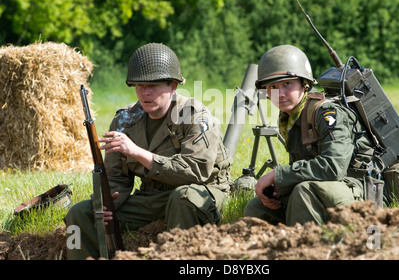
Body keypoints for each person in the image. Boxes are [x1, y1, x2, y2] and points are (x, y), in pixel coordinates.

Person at [65, 43, 232, 259]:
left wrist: (137, 153)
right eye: (139, 85)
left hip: (199, 193)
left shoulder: (195, 116)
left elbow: (196, 172)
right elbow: (116, 177)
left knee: (184, 198)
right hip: (152, 197)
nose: (146, 92)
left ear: (173, 85)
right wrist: (108, 202)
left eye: (153, 85)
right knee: (79, 214)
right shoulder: (125, 120)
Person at [244, 44, 373, 226]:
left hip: (358, 188)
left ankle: (307, 247)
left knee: (303, 191)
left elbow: (333, 167)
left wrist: (278, 175)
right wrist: (280, 186)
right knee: (257, 208)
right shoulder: (290, 117)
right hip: (324, 188)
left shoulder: (326, 113)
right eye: (272, 87)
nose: (279, 94)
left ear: (304, 84)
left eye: (286, 84)